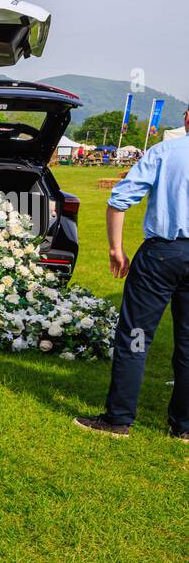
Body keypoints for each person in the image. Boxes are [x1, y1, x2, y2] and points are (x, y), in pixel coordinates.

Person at [75, 107, 189, 442]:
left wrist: (116, 249)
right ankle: (184, 427)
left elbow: (120, 200)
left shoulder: (165, 151)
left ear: (186, 118)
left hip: (163, 254)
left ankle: (118, 420)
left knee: (136, 337)